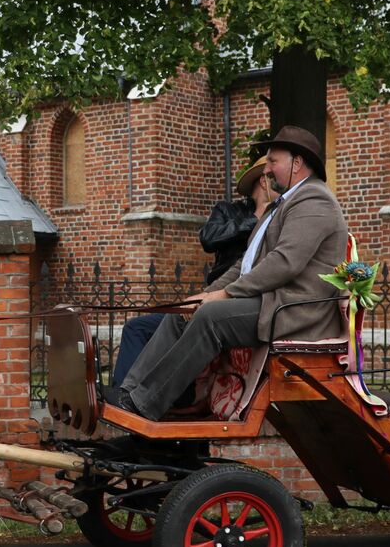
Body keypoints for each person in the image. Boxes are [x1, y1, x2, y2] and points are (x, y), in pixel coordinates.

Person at [105, 126, 349, 422]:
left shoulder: (314, 199)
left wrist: (223, 295)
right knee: (182, 313)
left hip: (294, 311)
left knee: (210, 317)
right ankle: (128, 392)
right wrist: (206, 294)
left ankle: (145, 404)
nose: (266, 170)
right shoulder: (282, 204)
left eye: (273, 161)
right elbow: (244, 264)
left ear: (297, 163)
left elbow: (284, 263)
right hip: (270, 303)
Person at [110, 159, 277, 389]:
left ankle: (170, 394)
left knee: (190, 325)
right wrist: (254, 222)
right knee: (137, 327)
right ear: (264, 181)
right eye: (273, 177)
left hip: (241, 300)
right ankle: (123, 393)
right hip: (216, 292)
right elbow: (209, 238)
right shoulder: (229, 211)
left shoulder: (278, 218)